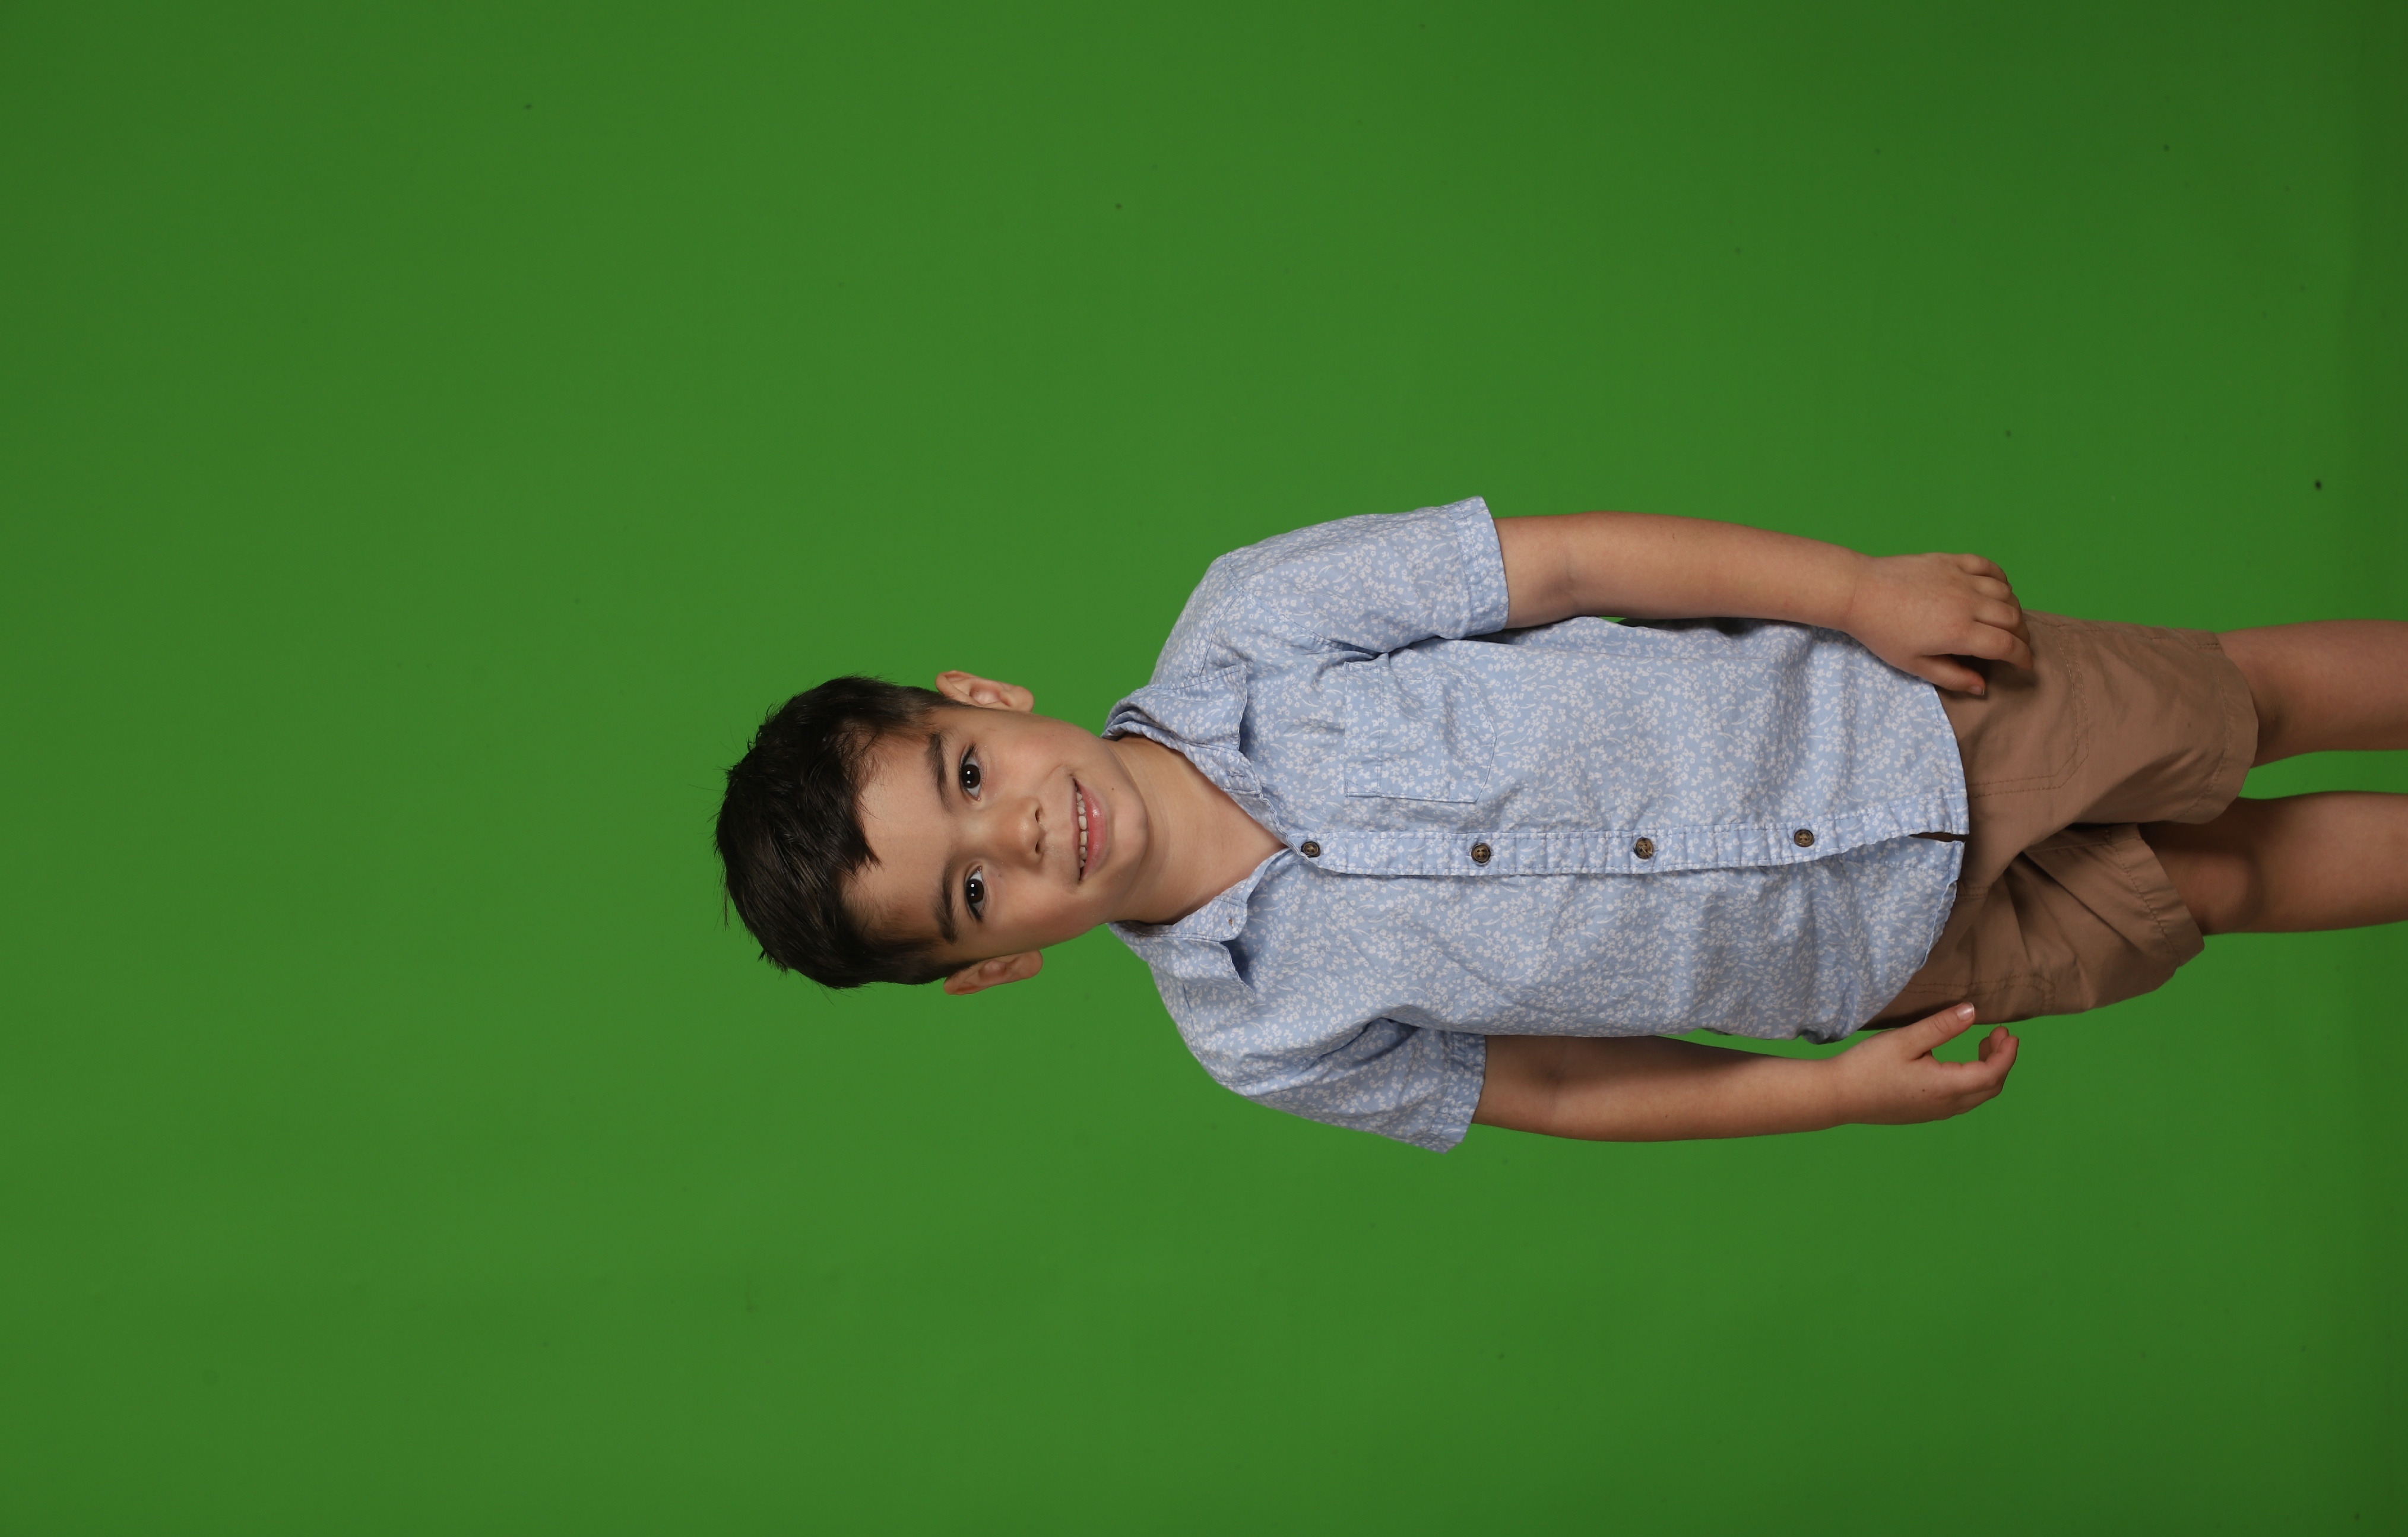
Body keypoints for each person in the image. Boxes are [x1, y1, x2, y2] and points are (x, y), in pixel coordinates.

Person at [715, 499, 2408, 1152]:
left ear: (981, 699)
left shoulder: (1253, 623)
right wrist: (1823, 1094)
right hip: (1878, 953)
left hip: (1897, 713)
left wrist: (1857, 594)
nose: (1019, 834)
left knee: (2243, 702)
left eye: (965, 778)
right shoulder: (1256, 1036)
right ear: (992, 969)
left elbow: (1572, 566)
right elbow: (1563, 1088)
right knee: (2226, 880)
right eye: (973, 894)